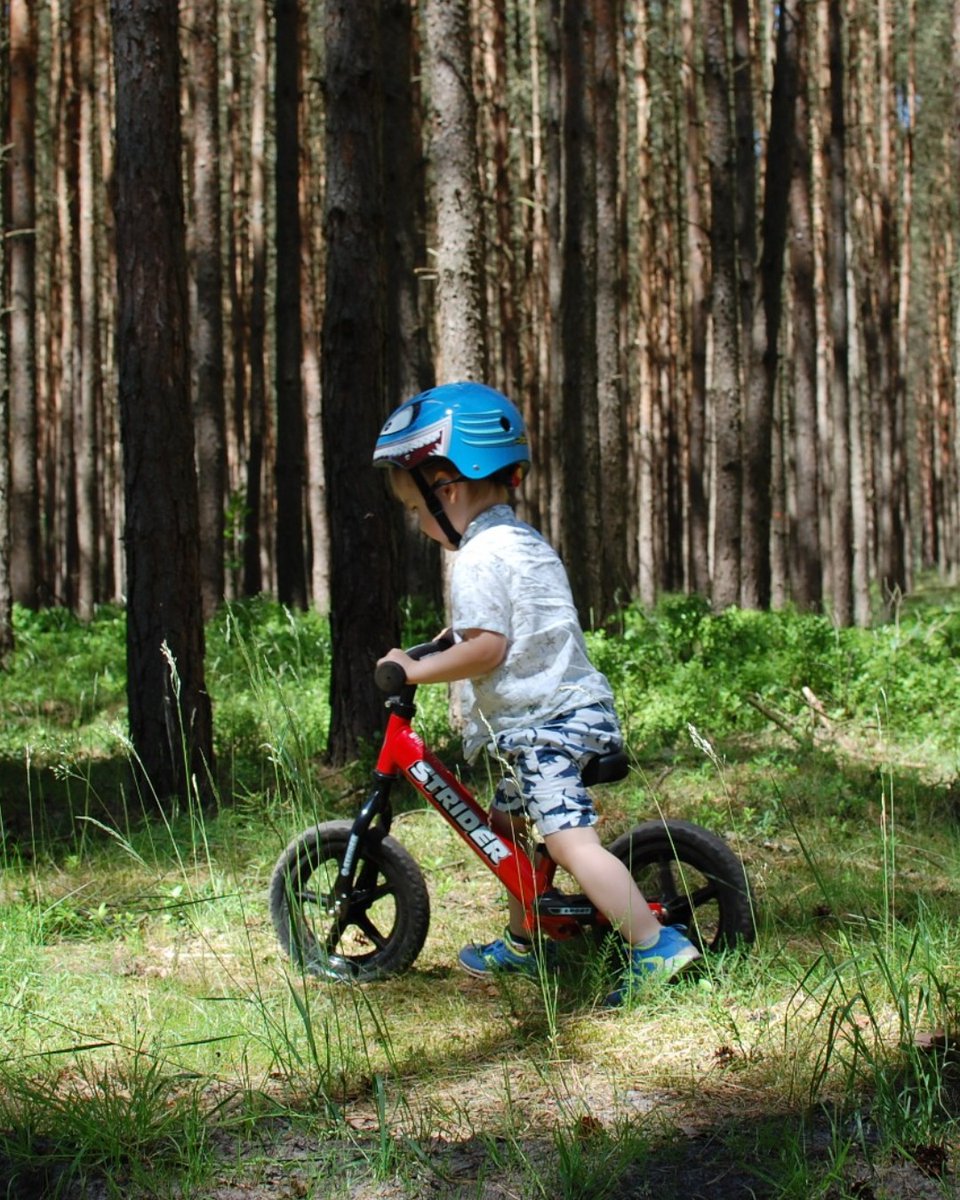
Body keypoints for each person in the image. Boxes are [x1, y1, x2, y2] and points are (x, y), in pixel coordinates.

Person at [373, 380, 699, 1006]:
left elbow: (489, 646)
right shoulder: (520, 541)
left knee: (567, 842)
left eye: (416, 507)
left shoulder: (475, 557)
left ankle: (653, 946)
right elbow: (495, 625)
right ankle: (528, 944)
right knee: (509, 828)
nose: (418, 524)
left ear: (450, 487)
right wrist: (437, 645)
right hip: (559, 716)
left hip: (546, 723)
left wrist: (413, 672)